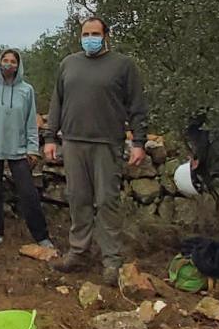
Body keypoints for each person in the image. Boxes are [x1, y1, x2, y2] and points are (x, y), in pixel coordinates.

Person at [43, 17, 149, 284]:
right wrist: (50, 138)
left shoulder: (123, 66)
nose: (89, 37)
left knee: (106, 201)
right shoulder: (69, 63)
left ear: (106, 36)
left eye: (95, 33)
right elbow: (57, 102)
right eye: (85, 33)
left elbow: (137, 107)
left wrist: (138, 142)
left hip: (107, 143)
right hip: (73, 141)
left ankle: (111, 260)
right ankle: (78, 252)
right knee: (78, 198)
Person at [0, 49, 54, 250]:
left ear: (18, 65)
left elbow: (30, 123)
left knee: (28, 193)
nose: (9, 64)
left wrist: (33, 149)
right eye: (5, 60)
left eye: (13, 61)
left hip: (18, 148)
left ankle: (41, 236)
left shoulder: (27, 90)